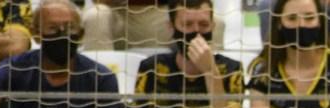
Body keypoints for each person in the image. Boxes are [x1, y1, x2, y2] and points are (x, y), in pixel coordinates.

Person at [83, 0, 226, 51]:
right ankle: (102, 80)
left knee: (216, 22)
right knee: (96, 15)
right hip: (122, 14)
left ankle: (211, 73)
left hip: (163, 12)